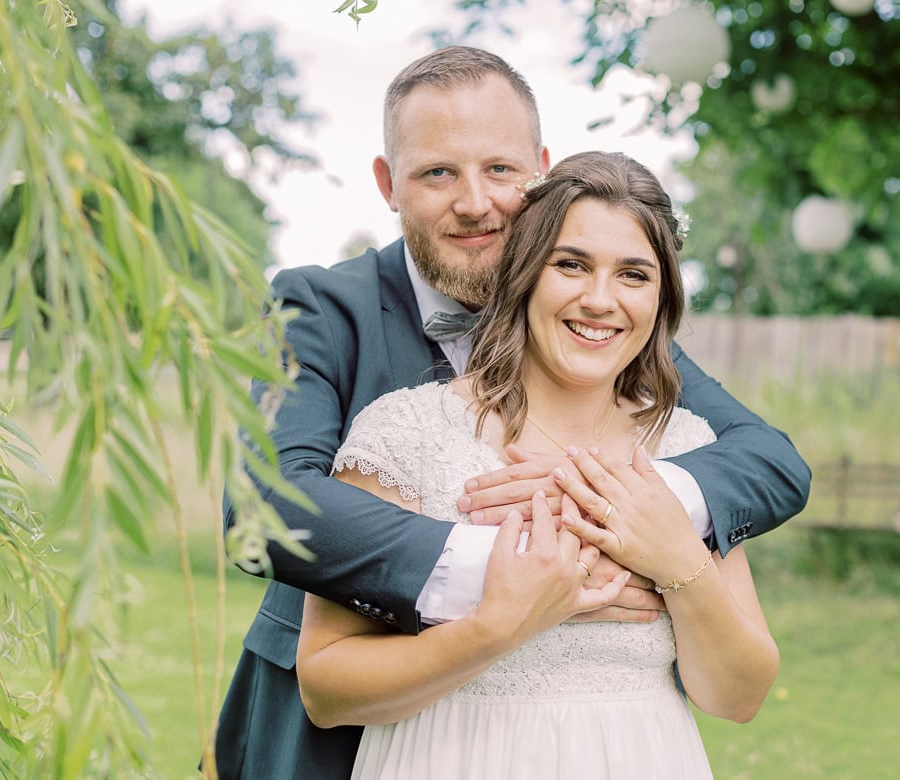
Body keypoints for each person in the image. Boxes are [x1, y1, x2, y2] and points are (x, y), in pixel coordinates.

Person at [212, 46, 810, 779]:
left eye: (499, 169)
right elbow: (264, 502)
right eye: (437, 172)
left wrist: (622, 501)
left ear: (541, 172)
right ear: (387, 184)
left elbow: (767, 460)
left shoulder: (605, 330)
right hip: (342, 735)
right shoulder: (321, 307)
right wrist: (502, 573)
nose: (475, 202)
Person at [297, 150, 778, 779]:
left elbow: (738, 698)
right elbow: (326, 691)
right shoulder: (404, 433)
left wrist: (678, 557)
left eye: (634, 274)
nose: (600, 299)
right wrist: (499, 624)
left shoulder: (685, 446)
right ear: (525, 273)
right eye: (571, 265)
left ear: (662, 298)